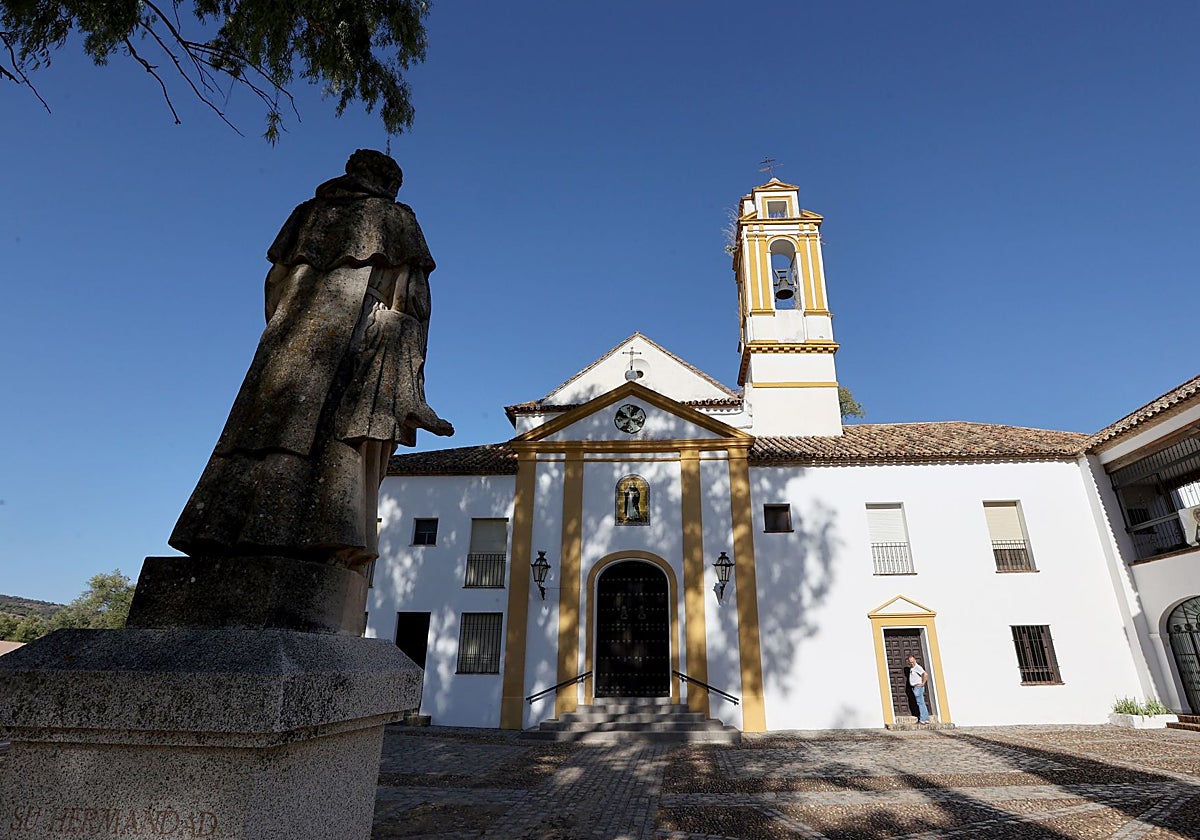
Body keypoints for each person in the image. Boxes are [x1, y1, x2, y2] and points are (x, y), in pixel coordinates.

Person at [170, 149, 453, 573]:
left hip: (287, 340)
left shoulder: (308, 214)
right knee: (336, 436)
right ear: (389, 183)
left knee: (260, 430)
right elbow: (409, 301)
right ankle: (324, 535)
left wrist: (288, 329)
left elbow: (275, 282)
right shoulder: (395, 219)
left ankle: (221, 529)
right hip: (355, 338)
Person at [907, 654, 931, 726]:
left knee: (920, 703)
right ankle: (926, 719)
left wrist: (923, 683)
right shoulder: (913, 668)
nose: (912, 663)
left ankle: (923, 719)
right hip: (915, 687)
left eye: (912, 661)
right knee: (921, 703)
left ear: (915, 660)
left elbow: (925, 674)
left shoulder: (917, 667)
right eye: (910, 662)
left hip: (918, 687)